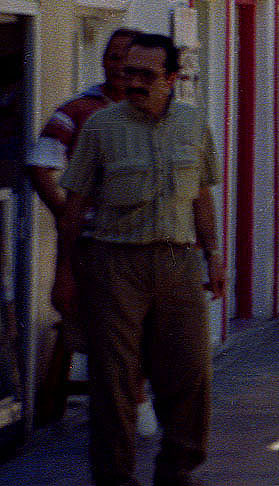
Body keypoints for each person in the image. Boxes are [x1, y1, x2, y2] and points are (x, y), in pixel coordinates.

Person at [55, 33, 225, 486]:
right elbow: (72, 212)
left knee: (190, 370)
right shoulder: (101, 127)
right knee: (113, 379)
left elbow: (202, 198)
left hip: (178, 262)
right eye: (129, 72)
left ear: (171, 79)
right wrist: (66, 274)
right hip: (115, 264)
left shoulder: (193, 124)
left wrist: (215, 255)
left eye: (146, 75)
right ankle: (115, 477)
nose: (133, 82)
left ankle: (178, 469)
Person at [26, 28, 157, 429]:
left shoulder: (159, 112)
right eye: (112, 57)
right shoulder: (80, 110)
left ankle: (133, 399)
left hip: (149, 241)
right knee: (108, 327)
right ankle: (128, 405)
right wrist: (66, 212)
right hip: (95, 243)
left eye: (128, 60)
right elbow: (41, 163)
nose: (118, 67)